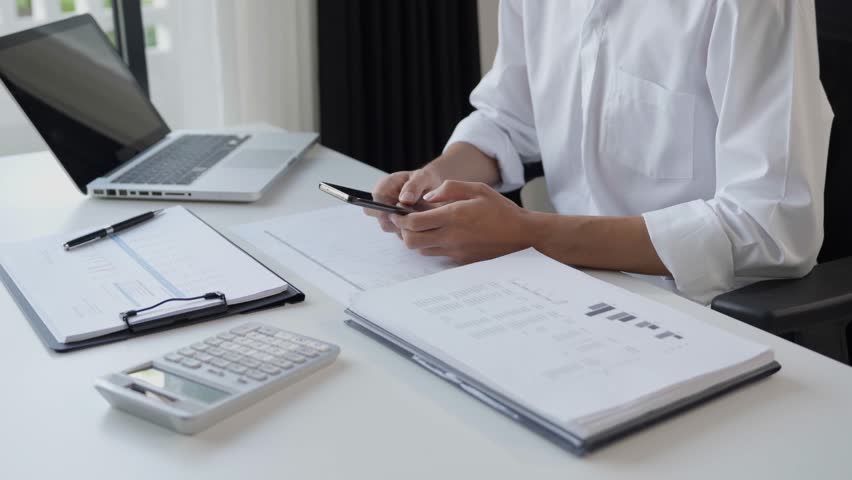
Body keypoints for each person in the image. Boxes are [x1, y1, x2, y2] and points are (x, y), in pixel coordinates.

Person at [365, 0, 833, 304]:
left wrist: (529, 234)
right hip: (558, 288)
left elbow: (772, 228)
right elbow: (509, 117)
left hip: (700, 308)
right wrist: (436, 179)